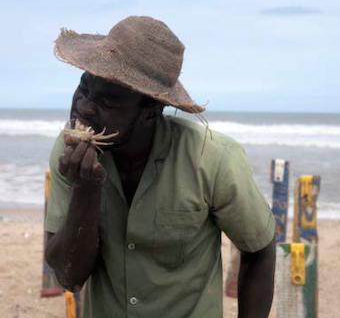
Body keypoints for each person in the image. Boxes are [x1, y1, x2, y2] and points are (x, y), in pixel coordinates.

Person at [45, 16, 276, 318]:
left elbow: (259, 249)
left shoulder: (212, 158)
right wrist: (86, 191)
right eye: (84, 89)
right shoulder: (68, 152)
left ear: (151, 113)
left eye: (109, 101)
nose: (85, 106)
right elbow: (68, 275)